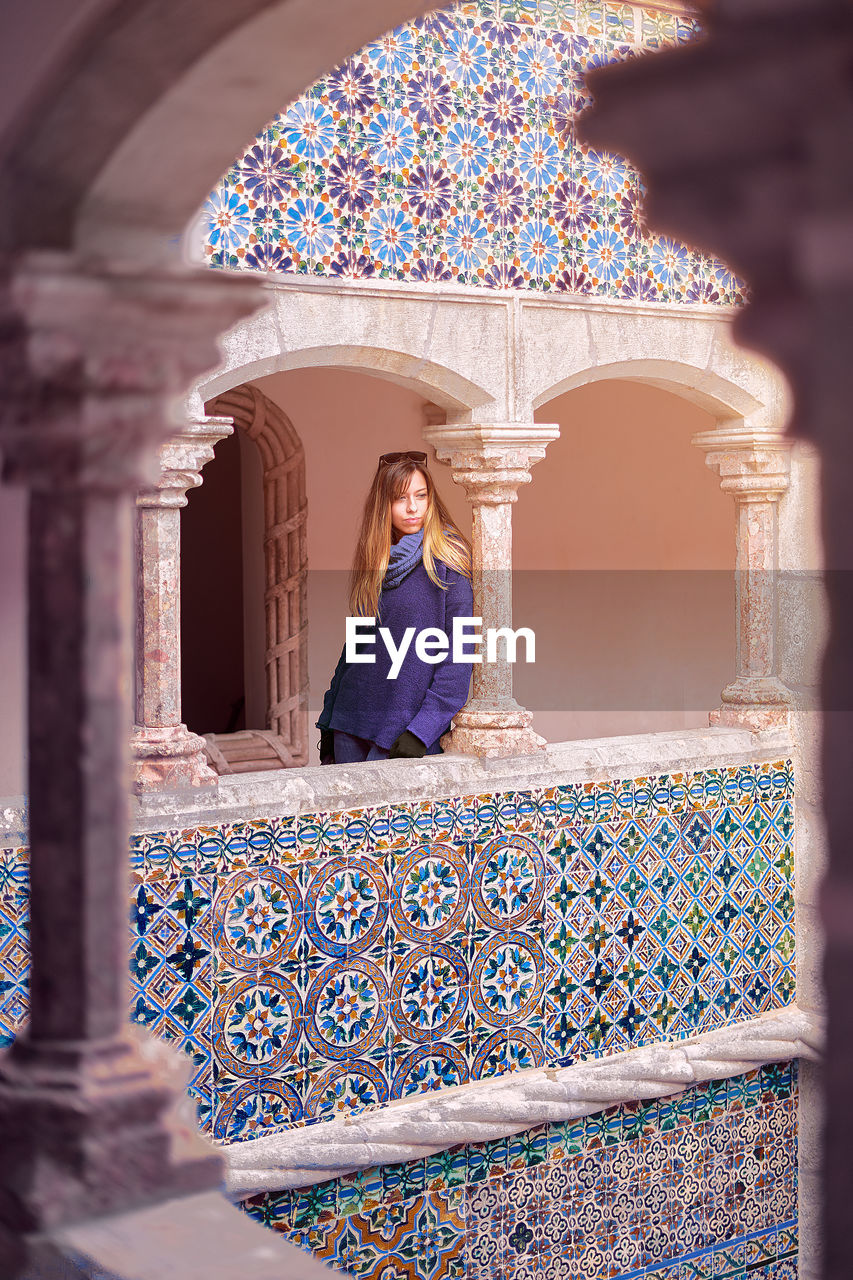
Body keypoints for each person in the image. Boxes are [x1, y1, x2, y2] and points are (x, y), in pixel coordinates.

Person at [317, 450, 474, 764]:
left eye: (421, 495)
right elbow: (355, 650)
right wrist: (330, 716)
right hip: (350, 725)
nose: (413, 507)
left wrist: (421, 732)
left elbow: (459, 659)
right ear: (383, 505)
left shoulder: (447, 562)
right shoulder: (376, 563)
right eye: (400, 498)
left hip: (403, 735)